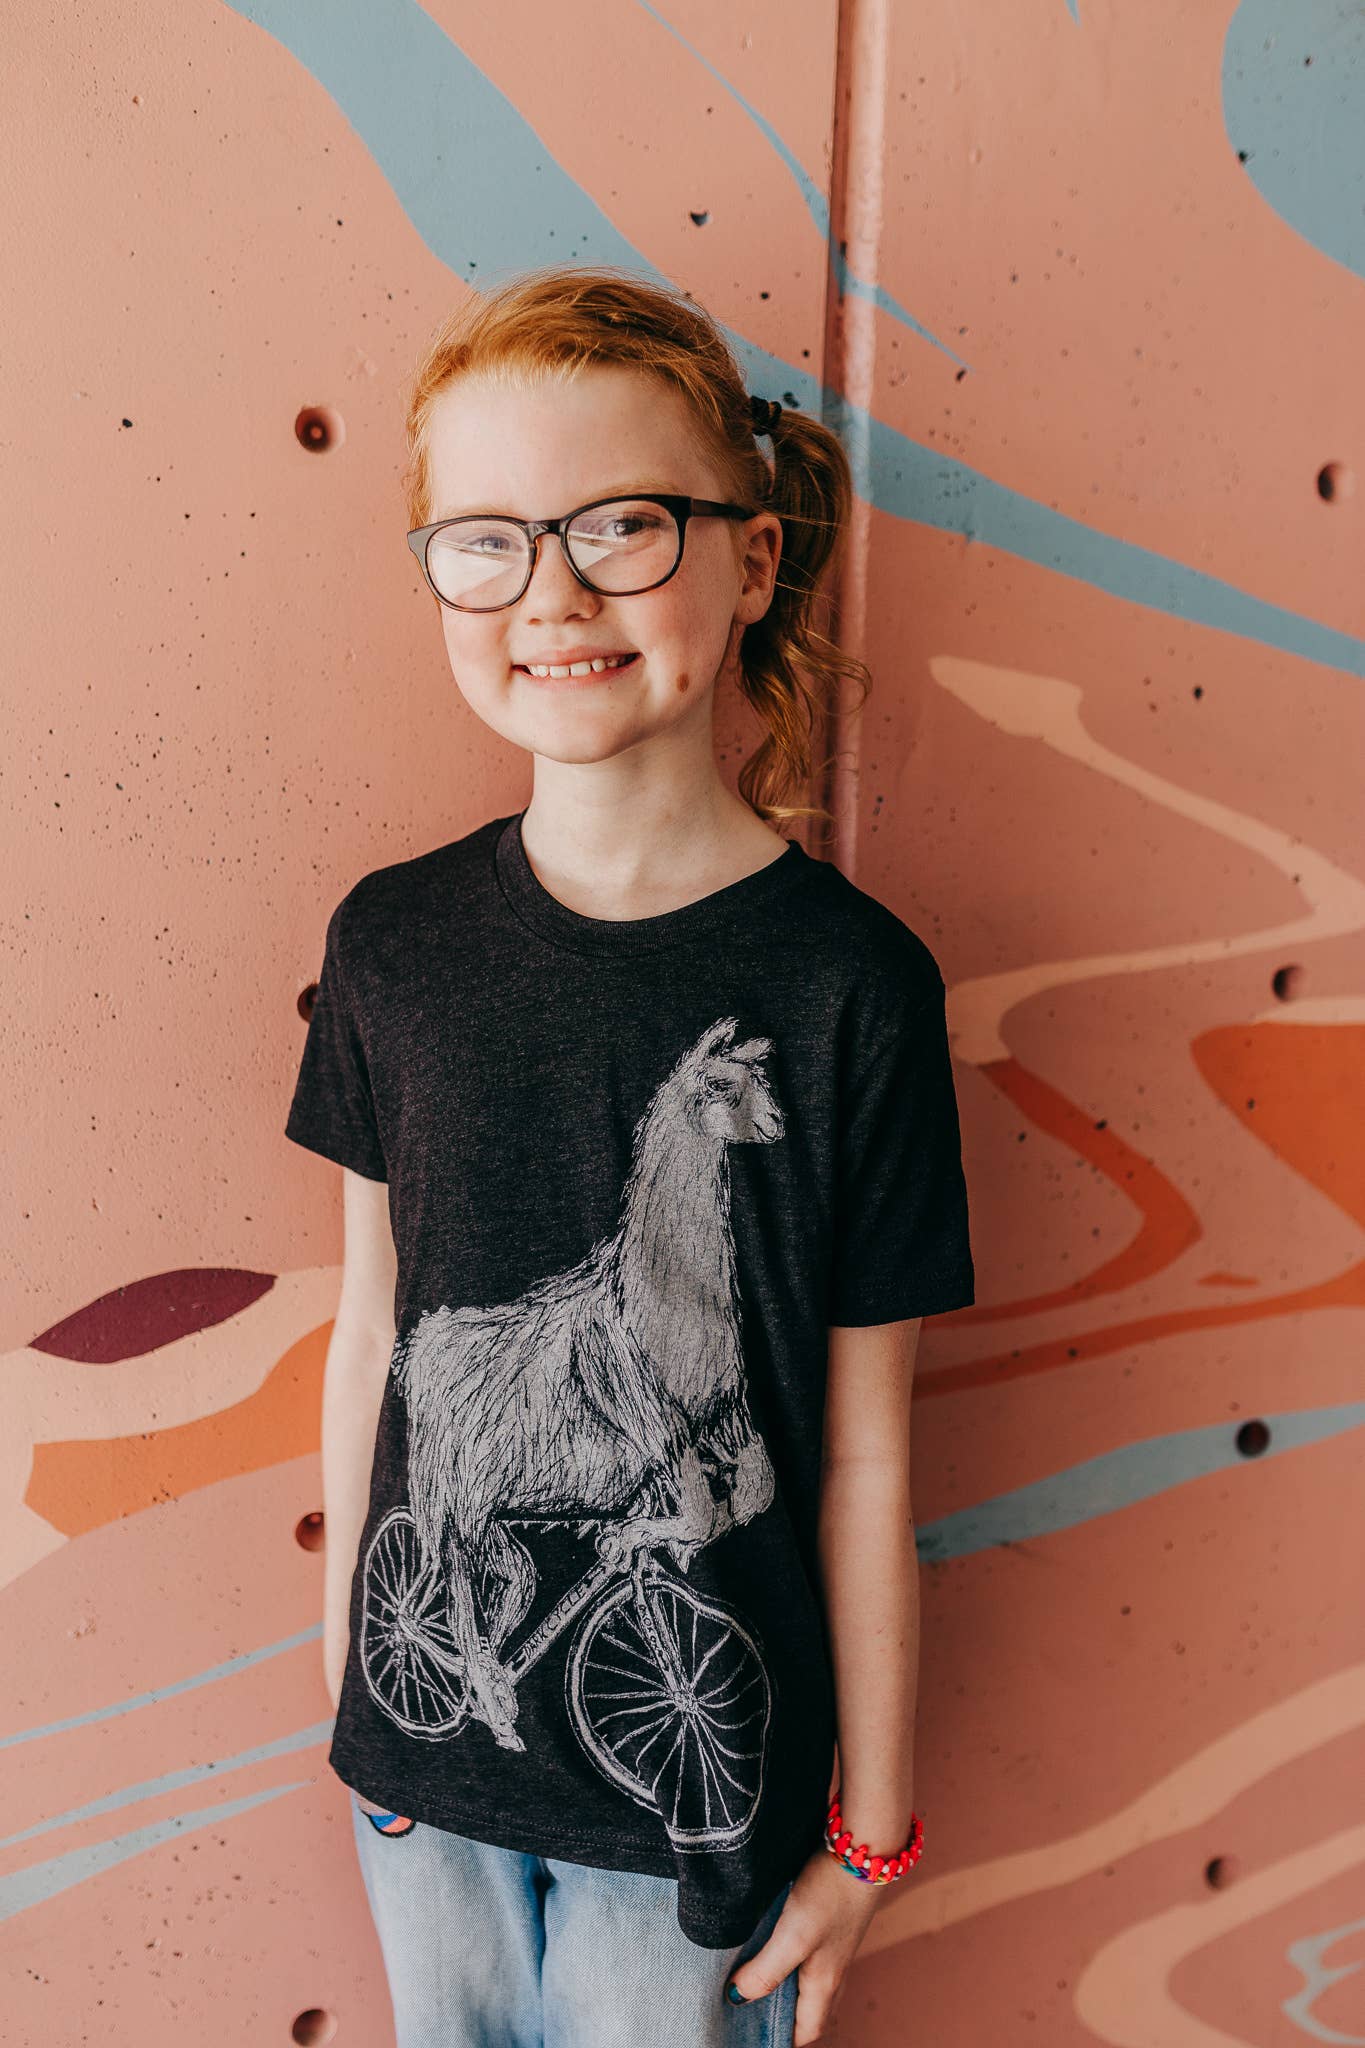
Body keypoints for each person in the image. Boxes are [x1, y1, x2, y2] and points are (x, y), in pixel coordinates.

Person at [284, 263, 975, 2048]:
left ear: (751, 558)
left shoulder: (852, 989)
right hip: (415, 1788)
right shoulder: (390, 946)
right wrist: (348, 1674)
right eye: (488, 541)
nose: (553, 593)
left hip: (699, 1827)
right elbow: (375, 1335)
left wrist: (870, 1831)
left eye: (620, 526)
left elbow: (864, 1449)